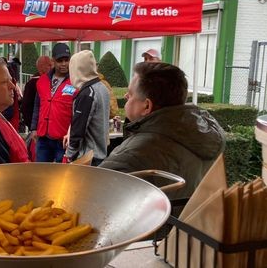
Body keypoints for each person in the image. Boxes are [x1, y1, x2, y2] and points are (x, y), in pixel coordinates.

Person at [99, 62, 225, 199]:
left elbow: (94, 198)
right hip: (194, 219)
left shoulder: (130, 156)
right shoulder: (206, 134)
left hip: (158, 220)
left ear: (147, 106)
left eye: (130, 94)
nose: (125, 97)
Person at [63, 50, 111, 167]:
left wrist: (69, 155)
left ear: (76, 70)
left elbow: (78, 129)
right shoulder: (102, 87)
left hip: (87, 158)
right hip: (100, 153)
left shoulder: (87, 94)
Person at [30, 43, 76, 162]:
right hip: (43, 137)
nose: (64, 64)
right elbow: (37, 105)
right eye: (60, 60)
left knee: (61, 176)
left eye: (67, 60)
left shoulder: (75, 81)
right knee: (41, 173)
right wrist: (34, 128)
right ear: (53, 61)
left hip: (63, 138)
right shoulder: (42, 80)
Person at [20, 55, 53, 130]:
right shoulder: (33, 83)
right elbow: (25, 107)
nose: (52, 67)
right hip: (38, 126)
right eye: (49, 65)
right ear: (41, 67)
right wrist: (33, 126)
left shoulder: (54, 80)